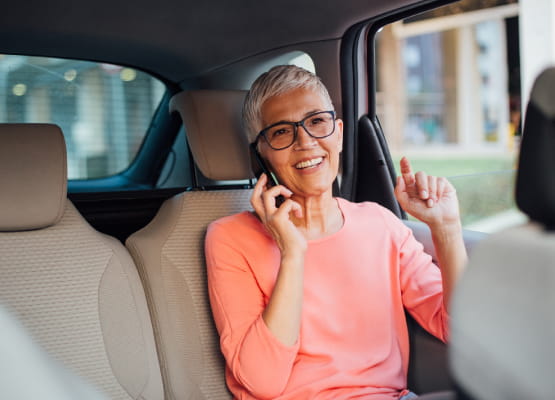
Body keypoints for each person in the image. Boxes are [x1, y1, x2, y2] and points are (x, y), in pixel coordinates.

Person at [205, 65, 467, 400]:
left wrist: (446, 229)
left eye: (317, 122)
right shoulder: (229, 238)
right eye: (282, 132)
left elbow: (461, 332)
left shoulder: (381, 223)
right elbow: (262, 381)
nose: (306, 142)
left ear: (339, 134)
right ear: (261, 156)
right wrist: (293, 253)